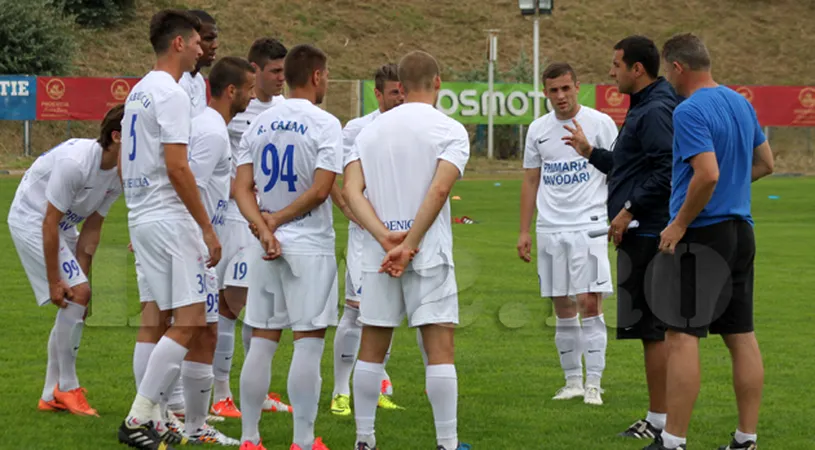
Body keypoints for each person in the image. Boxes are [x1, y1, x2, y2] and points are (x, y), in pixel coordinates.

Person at [642, 32, 773, 450]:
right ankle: (745, 439)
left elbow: (708, 174)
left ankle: (672, 441)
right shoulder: (741, 102)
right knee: (741, 335)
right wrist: (730, 187)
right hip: (741, 232)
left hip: (702, 234)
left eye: (667, 69)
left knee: (681, 336)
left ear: (678, 67)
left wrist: (679, 223)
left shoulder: (689, 110)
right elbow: (767, 163)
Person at [343, 50, 471, 450]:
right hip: (426, 253)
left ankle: (365, 440)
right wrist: (410, 243)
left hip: (379, 256)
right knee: (439, 349)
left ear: (399, 84)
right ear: (438, 82)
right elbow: (439, 188)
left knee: (371, 348)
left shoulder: (370, 130)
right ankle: (446, 443)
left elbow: (351, 190)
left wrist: (385, 238)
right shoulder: (449, 129)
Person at [116, 10, 222, 450]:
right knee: (191, 319)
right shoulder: (173, 94)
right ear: (178, 43)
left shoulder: (138, 91)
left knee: (157, 318)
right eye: (197, 40)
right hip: (168, 217)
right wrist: (206, 228)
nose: (202, 48)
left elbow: (127, 160)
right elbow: (179, 167)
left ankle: (156, 417)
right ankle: (138, 417)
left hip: (142, 215)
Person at [562, 35, 678, 436]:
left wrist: (629, 210)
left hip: (648, 232)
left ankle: (661, 422)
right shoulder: (645, 106)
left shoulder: (656, 110)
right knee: (650, 331)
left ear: (637, 69)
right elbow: (633, 167)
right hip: (639, 231)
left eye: (616, 65)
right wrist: (590, 152)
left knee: (654, 331)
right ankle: (659, 418)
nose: (611, 72)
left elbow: (667, 170)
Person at [233, 43, 340, 450]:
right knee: (308, 342)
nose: (326, 81)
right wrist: (275, 221)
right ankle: (303, 441)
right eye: (326, 75)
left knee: (262, 339)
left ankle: (249, 438)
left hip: (264, 244)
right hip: (308, 243)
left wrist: (262, 227)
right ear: (315, 76)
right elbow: (321, 189)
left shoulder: (257, 123)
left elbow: (242, 188)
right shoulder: (325, 122)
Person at [8, 104, 124, 418]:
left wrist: (82, 285)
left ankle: (50, 394)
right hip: (32, 219)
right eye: (137, 139)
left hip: (60, 225)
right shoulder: (76, 164)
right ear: (115, 137)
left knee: (80, 298)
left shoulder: (118, 173)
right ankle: (68, 387)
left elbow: (93, 229)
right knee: (76, 294)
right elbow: (48, 222)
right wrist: (54, 281)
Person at [518, 62, 618, 406]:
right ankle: (572, 381)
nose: (560, 96)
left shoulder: (600, 124)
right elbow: (531, 179)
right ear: (545, 92)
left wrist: (617, 217)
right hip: (550, 227)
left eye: (566, 88)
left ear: (578, 87)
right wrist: (524, 230)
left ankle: (594, 383)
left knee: (590, 301)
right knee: (562, 305)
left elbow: (618, 170)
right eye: (553, 90)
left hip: (589, 223)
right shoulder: (537, 130)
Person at [210, 36, 292, 419]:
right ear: (254, 70)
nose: (281, 77)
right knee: (236, 305)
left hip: (266, 219)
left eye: (284, 70)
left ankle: (250, 393)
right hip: (233, 218)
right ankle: (223, 393)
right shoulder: (231, 111)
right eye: (275, 71)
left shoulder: (285, 110)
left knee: (259, 306)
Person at [330, 63, 406, 417]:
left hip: (399, 236)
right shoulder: (357, 129)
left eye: (403, 91)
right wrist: (353, 213)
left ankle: (374, 384)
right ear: (377, 94)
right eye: (394, 92)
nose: (400, 97)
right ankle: (340, 390)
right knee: (355, 311)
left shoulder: (412, 127)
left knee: (385, 315)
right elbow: (335, 175)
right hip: (366, 237)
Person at [178, 9, 219, 117]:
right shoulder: (177, 82)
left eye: (215, 39)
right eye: (208, 39)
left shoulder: (199, 80)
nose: (215, 45)